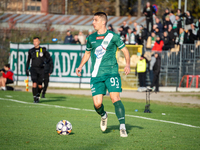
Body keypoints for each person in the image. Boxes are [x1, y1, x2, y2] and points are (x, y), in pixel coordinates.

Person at [76, 12, 130, 137]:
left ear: (103, 22)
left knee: (115, 98)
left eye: (95, 20)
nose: (93, 22)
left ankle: (122, 126)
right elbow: (88, 54)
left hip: (112, 73)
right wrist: (80, 66)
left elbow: (125, 50)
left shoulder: (113, 36)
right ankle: (103, 115)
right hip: (96, 75)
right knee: (97, 104)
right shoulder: (90, 38)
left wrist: (127, 64)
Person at [26, 37, 51, 103]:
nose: (34, 43)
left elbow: (49, 58)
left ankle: (38, 95)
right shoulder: (31, 51)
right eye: (34, 41)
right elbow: (28, 61)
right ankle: (35, 98)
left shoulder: (43, 50)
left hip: (41, 69)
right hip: (33, 69)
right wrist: (26, 69)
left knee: (40, 86)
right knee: (34, 83)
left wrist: (45, 62)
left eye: (36, 41)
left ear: (39, 42)